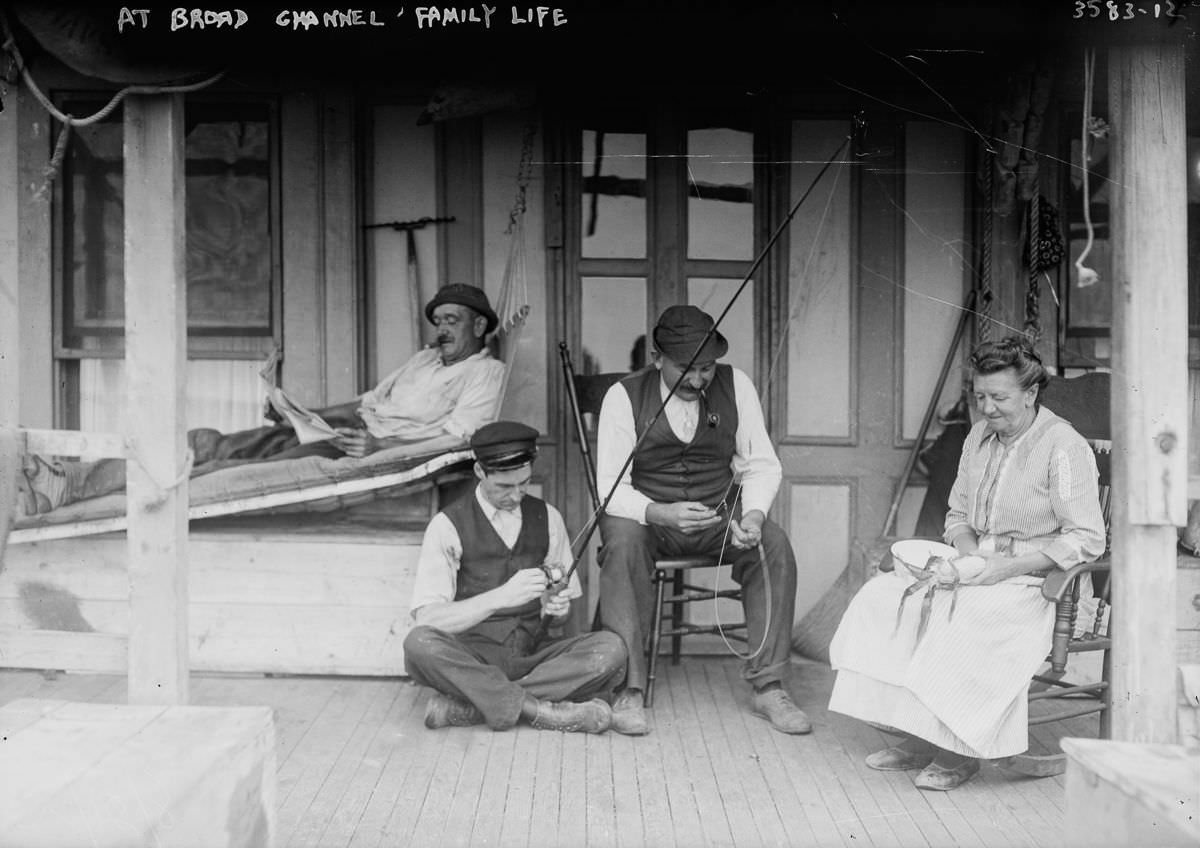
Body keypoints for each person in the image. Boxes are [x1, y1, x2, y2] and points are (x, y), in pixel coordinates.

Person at [828, 335, 1107, 791]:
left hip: (1037, 580)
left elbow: (1087, 538)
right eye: (980, 397)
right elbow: (958, 514)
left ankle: (957, 750)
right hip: (977, 563)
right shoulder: (977, 436)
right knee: (885, 596)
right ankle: (915, 732)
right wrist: (967, 555)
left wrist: (1002, 568)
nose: (987, 409)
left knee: (962, 616)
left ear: (1031, 394)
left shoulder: (1063, 445)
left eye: (999, 397)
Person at [16, 283, 507, 516]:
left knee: (215, 474)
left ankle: (68, 493)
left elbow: (458, 439)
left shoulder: (484, 374)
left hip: (365, 454)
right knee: (205, 441)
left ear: (480, 326)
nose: (440, 330)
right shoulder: (423, 361)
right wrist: (299, 411)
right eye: (437, 320)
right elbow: (363, 404)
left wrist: (379, 451)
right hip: (340, 435)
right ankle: (77, 481)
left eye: (452, 321)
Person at [595, 304, 809, 737]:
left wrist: (752, 514)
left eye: (706, 369)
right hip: (651, 525)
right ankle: (627, 689)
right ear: (657, 358)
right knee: (620, 541)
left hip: (718, 519)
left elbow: (761, 464)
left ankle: (769, 685)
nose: (697, 380)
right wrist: (659, 512)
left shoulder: (736, 385)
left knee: (773, 542)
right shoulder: (624, 396)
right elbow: (610, 490)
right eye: (684, 369)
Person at [403, 421, 635, 735]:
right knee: (418, 644)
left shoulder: (548, 517)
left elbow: (559, 618)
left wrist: (556, 609)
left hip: (533, 657)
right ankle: (541, 710)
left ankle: (474, 704)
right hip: (473, 657)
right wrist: (502, 597)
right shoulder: (447, 525)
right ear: (480, 472)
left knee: (612, 649)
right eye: (504, 487)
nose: (516, 495)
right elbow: (428, 620)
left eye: (524, 484)